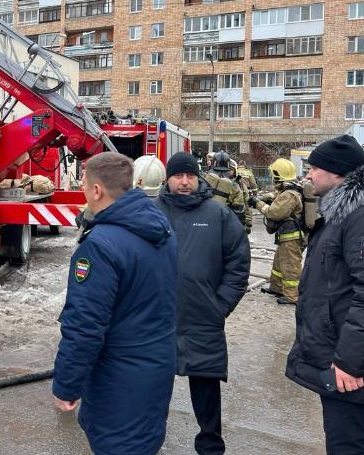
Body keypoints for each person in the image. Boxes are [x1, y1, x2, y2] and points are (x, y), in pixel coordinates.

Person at [53, 152, 178, 455]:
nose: (82, 190)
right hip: (156, 367)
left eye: (83, 183)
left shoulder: (100, 245)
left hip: (119, 378)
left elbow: (84, 324)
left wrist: (67, 385)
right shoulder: (161, 229)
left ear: (97, 190)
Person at [285, 135, 364, 455]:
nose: (307, 175)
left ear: (337, 172)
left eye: (313, 168)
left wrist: (347, 362)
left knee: (346, 445)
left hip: (351, 363)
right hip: (343, 352)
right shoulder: (347, 211)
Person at [156, 152, 250, 455]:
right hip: (157, 319)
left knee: (206, 386)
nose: (184, 182)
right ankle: (149, 439)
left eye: (190, 176)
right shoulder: (151, 212)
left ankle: (210, 446)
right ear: (167, 179)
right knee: (154, 387)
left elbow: (238, 263)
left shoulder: (218, 215)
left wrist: (219, 305)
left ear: (199, 178)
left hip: (202, 318)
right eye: (178, 176)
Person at [248, 158, 304, 305]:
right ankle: (277, 288)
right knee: (279, 264)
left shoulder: (290, 194)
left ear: (278, 175)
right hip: (286, 236)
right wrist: (264, 197)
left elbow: (274, 213)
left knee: (290, 266)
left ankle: (292, 296)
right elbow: (276, 197)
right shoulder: (289, 190)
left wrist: (257, 203)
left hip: (292, 237)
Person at [204, 151, 248, 231]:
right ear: (228, 164)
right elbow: (239, 209)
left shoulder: (205, 179)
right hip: (225, 225)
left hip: (205, 223)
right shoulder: (234, 185)